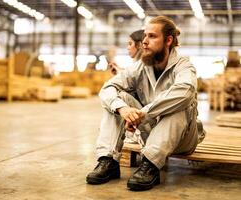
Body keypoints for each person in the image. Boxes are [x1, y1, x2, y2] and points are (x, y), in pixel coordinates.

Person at [86, 16, 206, 191]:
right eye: (144, 36)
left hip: (182, 139)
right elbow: (108, 87)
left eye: (152, 36)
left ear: (168, 40)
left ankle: (150, 165)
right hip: (151, 134)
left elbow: (186, 91)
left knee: (180, 102)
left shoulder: (184, 66)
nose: (144, 41)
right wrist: (124, 109)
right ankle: (108, 160)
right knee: (116, 99)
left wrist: (144, 113)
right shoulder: (141, 66)